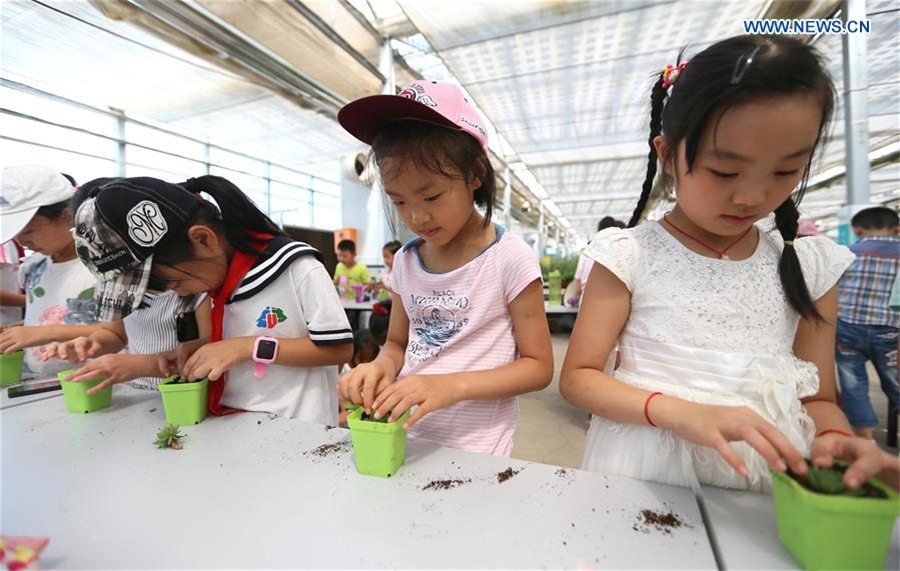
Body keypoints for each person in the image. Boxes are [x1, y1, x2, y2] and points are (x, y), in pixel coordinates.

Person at [560, 35, 885, 493]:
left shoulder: (807, 265)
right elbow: (579, 378)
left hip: (762, 476)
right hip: (643, 469)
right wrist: (679, 412)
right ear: (668, 154)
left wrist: (835, 437)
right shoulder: (628, 254)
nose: (752, 196)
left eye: (785, 171)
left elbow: (818, 398)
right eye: (725, 171)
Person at [336, 80, 553, 456]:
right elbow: (398, 344)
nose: (416, 216)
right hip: (408, 431)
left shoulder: (509, 258)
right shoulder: (406, 261)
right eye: (399, 201)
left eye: (431, 196)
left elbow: (538, 367)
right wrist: (380, 367)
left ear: (474, 175)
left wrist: (447, 386)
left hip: (479, 446)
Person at [71, 176, 353, 423]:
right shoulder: (215, 283)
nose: (179, 292)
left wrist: (244, 348)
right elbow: (239, 341)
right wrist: (201, 349)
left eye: (176, 282)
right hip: (237, 428)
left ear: (203, 239)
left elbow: (337, 350)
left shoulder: (295, 267)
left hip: (298, 432)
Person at [0, 166, 98, 378]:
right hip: (39, 382)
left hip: (95, 383)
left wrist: (40, 333)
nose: (22, 241)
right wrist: (17, 331)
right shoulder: (34, 266)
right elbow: (52, 315)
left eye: (29, 231)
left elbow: (121, 332)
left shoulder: (103, 265)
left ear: (66, 216)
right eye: (16, 235)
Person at [835, 206, 899, 439]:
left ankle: (865, 440)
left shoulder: (846, 253)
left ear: (857, 230)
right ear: (896, 229)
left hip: (848, 329)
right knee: (896, 379)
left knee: (853, 384)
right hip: (891, 331)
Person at [574, 217, 625, 300]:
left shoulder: (587, 252)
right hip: (610, 302)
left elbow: (578, 285)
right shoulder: (619, 253)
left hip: (585, 303)